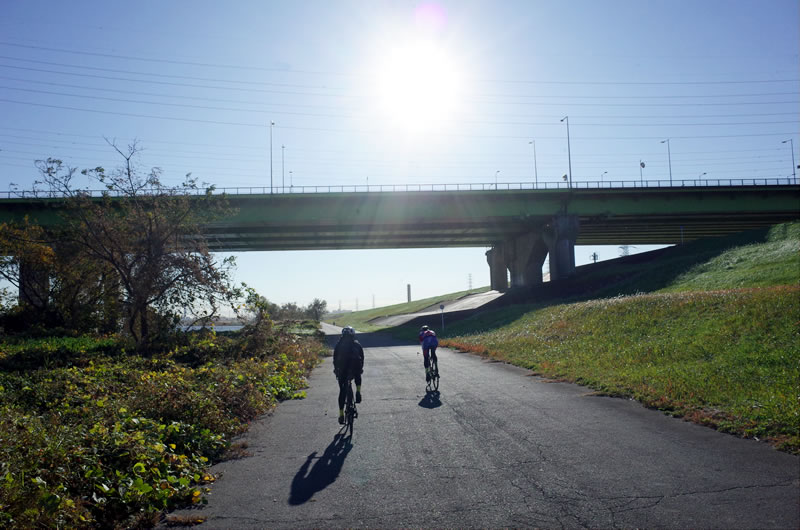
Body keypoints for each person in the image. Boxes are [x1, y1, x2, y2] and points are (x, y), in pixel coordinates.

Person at [333, 326, 364, 425]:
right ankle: (358, 391)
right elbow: (362, 358)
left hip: (342, 372)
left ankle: (341, 414)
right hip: (354, 370)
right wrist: (360, 369)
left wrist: (336, 370)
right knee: (358, 374)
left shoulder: (338, 345)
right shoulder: (357, 344)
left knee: (342, 391)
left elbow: (334, 359)